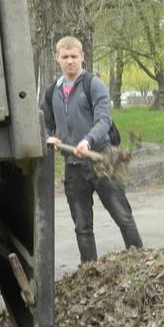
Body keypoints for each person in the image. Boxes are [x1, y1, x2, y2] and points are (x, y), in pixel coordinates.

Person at [41, 36, 143, 263]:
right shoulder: (51, 92)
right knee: (82, 228)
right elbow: (44, 123)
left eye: (74, 56)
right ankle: (90, 271)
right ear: (57, 58)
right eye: (65, 57)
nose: (69, 61)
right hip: (73, 168)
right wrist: (49, 138)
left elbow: (104, 120)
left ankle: (140, 263)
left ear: (82, 57)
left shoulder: (93, 84)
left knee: (123, 217)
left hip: (101, 162)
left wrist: (87, 141)